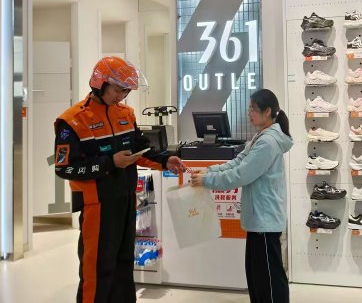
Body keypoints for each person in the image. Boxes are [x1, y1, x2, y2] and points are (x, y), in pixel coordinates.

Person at [53, 56, 185, 303]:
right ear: (99, 83)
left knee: (124, 266)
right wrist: (109, 163)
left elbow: (140, 151)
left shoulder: (126, 114)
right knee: (97, 270)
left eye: (126, 91)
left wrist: (165, 161)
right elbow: (65, 168)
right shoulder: (72, 121)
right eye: (117, 90)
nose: (121, 96)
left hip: (126, 201)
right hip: (97, 206)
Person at [191, 89, 293, 303]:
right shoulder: (260, 136)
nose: (249, 114)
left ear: (267, 112)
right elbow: (238, 162)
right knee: (258, 280)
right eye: (249, 109)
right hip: (258, 220)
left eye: (253, 109)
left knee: (269, 282)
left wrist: (208, 180)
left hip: (265, 221)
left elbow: (241, 175)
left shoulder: (267, 142)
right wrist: (210, 170)